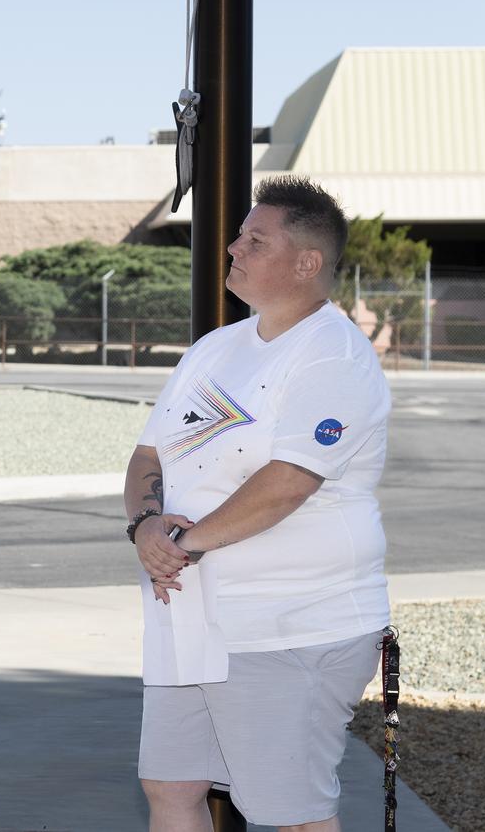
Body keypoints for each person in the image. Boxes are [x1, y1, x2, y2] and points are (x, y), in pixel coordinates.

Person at [123, 175, 390, 832]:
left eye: (255, 239)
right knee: (172, 785)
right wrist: (144, 526)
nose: (234, 248)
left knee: (289, 812)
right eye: (239, 235)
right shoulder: (215, 348)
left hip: (290, 624)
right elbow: (148, 457)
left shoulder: (333, 357)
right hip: (192, 619)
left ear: (307, 263)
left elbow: (289, 481)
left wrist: (182, 544)